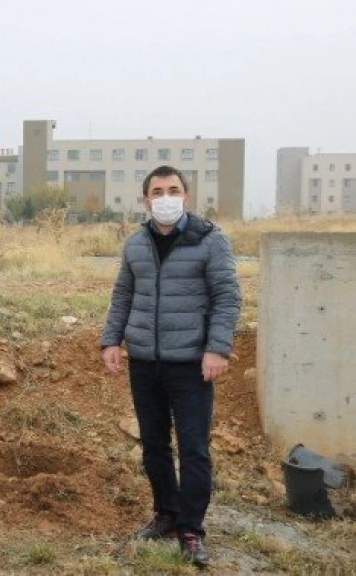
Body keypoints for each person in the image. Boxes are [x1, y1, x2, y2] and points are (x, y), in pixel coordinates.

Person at [100, 165, 241, 568]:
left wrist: (218, 349)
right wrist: (111, 339)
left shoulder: (211, 241)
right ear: (146, 200)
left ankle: (192, 529)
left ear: (187, 196)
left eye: (173, 189)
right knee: (154, 445)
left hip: (191, 363)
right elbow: (123, 294)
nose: (166, 196)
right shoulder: (136, 243)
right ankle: (166, 513)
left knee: (194, 448)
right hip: (145, 361)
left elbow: (227, 298)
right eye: (157, 191)